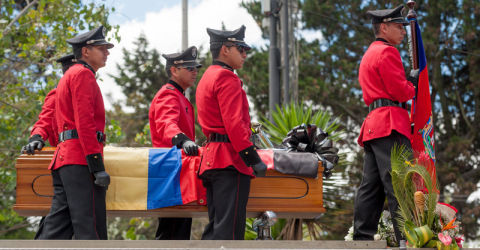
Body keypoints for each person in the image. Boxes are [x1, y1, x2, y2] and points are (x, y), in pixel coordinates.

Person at [35, 26, 114, 240]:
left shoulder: (71, 75)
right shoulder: (82, 74)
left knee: (57, 227)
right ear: (86, 52)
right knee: (91, 229)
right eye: (102, 48)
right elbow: (85, 122)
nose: (107, 52)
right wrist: (96, 165)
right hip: (80, 159)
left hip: (66, 159)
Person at [195, 25, 267, 240]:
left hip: (213, 158)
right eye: (240, 49)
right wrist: (252, 158)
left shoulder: (208, 76)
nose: (245, 54)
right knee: (230, 232)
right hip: (229, 159)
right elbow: (234, 125)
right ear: (225, 49)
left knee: (217, 227)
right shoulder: (227, 78)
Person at [353, 5, 418, 243]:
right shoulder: (388, 52)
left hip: (374, 125)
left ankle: (362, 238)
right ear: (384, 27)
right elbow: (400, 91)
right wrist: (412, 84)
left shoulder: (370, 52)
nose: (403, 31)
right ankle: (406, 239)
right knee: (400, 183)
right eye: (399, 27)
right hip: (390, 123)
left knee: (371, 187)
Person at [148, 46, 202, 240]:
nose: (195, 71)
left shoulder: (179, 96)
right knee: (171, 232)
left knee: (179, 231)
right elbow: (166, 124)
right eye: (190, 68)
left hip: (179, 170)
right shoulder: (168, 94)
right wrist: (183, 140)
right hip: (170, 170)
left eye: (196, 68)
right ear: (174, 70)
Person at [22, 54, 76, 155]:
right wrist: (36, 137)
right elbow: (44, 122)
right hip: (66, 154)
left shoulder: (88, 94)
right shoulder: (57, 95)